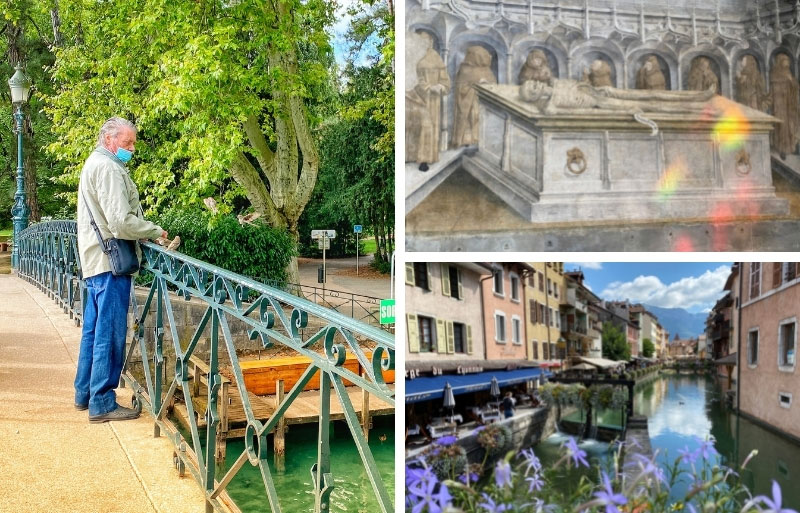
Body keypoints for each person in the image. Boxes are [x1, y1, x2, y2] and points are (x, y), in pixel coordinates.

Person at [74, 117, 168, 423]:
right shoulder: (110, 168)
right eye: (127, 143)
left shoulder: (92, 163)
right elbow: (120, 221)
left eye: (132, 142)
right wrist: (154, 230)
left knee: (93, 330)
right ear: (109, 140)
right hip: (110, 261)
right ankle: (102, 402)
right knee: (109, 333)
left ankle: (85, 393)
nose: (131, 148)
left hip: (94, 259)